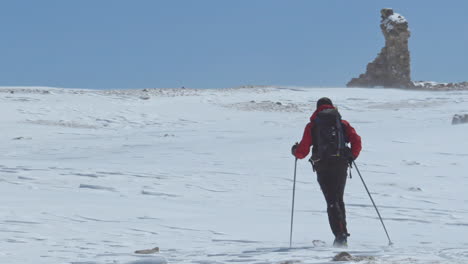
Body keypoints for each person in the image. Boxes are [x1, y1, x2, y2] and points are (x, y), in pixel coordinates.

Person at [291, 97, 362, 247]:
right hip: (341, 164)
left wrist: (295, 152)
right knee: (338, 198)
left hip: (323, 165)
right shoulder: (342, 123)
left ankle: (340, 236)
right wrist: (352, 156)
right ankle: (342, 234)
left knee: (331, 200)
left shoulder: (313, 125)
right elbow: (356, 140)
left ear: (317, 108)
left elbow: (303, 151)